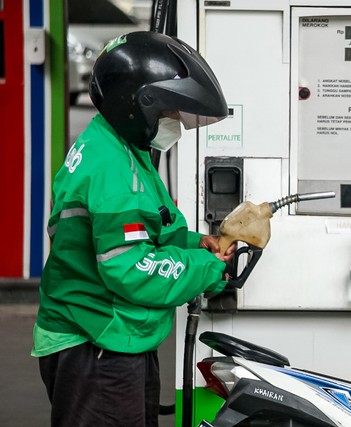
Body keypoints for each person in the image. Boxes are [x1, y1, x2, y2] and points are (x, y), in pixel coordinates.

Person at [32, 31, 234, 427]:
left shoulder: (118, 146)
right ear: (137, 104)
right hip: (95, 342)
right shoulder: (113, 176)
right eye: (170, 112)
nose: (175, 122)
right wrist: (207, 269)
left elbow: (147, 225)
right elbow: (132, 268)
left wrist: (196, 243)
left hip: (108, 334)